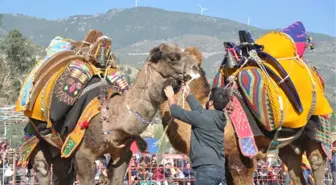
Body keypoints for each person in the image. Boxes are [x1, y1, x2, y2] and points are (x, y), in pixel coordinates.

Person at [164, 85, 230, 185]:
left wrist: (170, 96)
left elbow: (176, 111)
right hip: (218, 168)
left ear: (211, 103)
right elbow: (200, 111)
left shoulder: (202, 117)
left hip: (206, 169)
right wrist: (188, 94)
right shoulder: (219, 117)